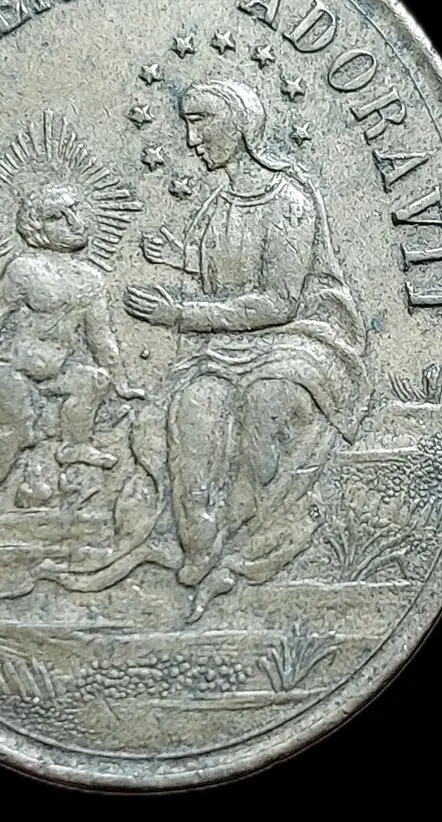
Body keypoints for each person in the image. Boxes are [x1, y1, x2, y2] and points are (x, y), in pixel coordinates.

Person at [124, 80, 369, 619]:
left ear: (239, 125)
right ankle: (201, 542)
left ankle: (257, 541)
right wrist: (181, 261)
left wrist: (180, 313)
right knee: (194, 406)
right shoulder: (219, 204)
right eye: (187, 124)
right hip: (232, 345)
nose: (191, 140)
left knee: (265, 402)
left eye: (200, 123)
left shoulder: (290, 201)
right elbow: (232, 272)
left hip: (302, 341)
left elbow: (279, 301)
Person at [0, 183, 144, 520]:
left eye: (75, 211)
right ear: (37, 228)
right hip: (8, 372)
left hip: (55, 372)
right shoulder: (25, 269)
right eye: (58, 217)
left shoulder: (91, 279)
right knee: (16, 430)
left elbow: (101, 336)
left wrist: (121, 382)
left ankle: (75, 444)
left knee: (94, 380)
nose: (74, 222)